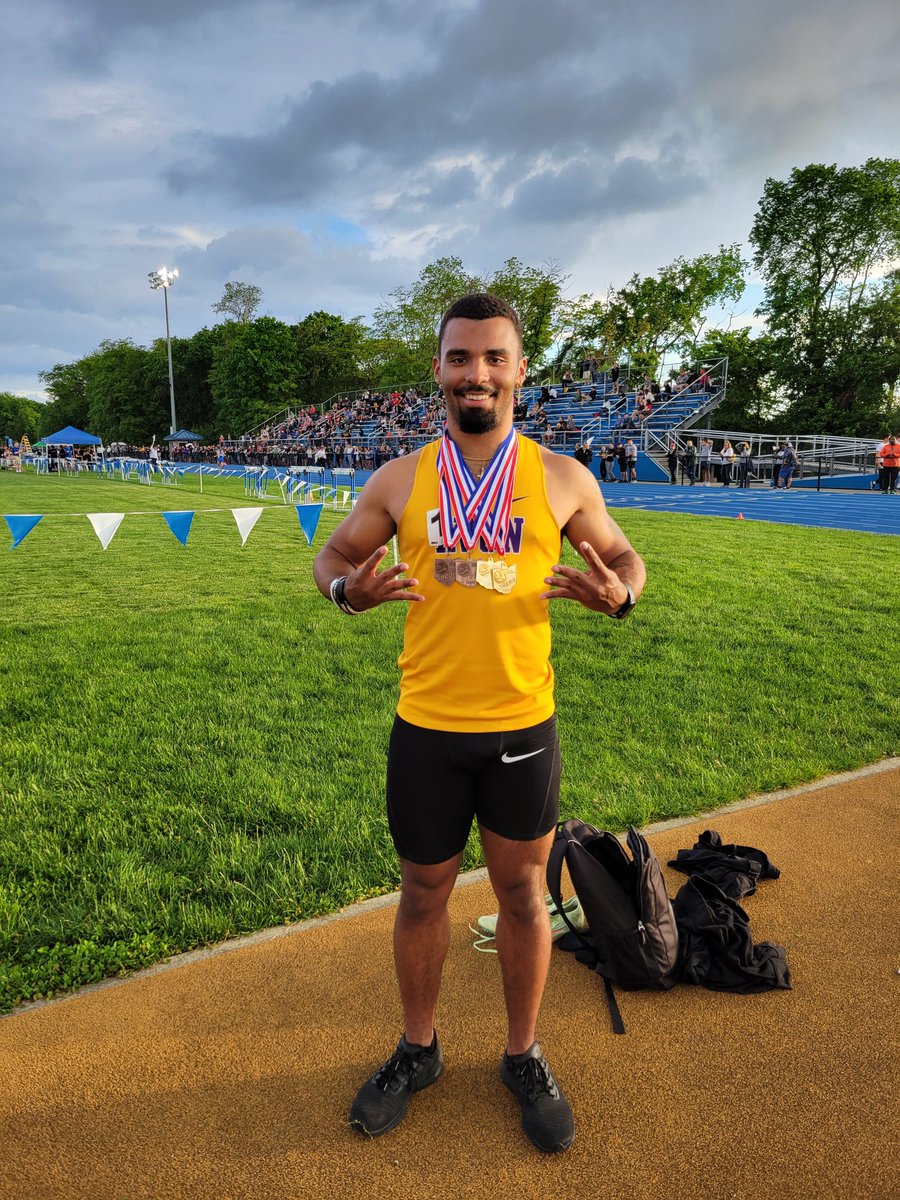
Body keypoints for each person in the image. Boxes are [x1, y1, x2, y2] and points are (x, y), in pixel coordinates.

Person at [313, 294, 645, 1154]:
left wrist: (625, 593)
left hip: (522, 728)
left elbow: (623, 557)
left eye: (494, 357)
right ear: (439, 371)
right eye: (461, 358)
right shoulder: (400, 477)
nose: (477, 373)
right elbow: (332, 558)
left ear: (519, 370)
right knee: (421, 894)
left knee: (524, 899)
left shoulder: (564, 476)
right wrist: (350, 593)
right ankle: (418, 1050)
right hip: (426, 725)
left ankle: (522, 1054)